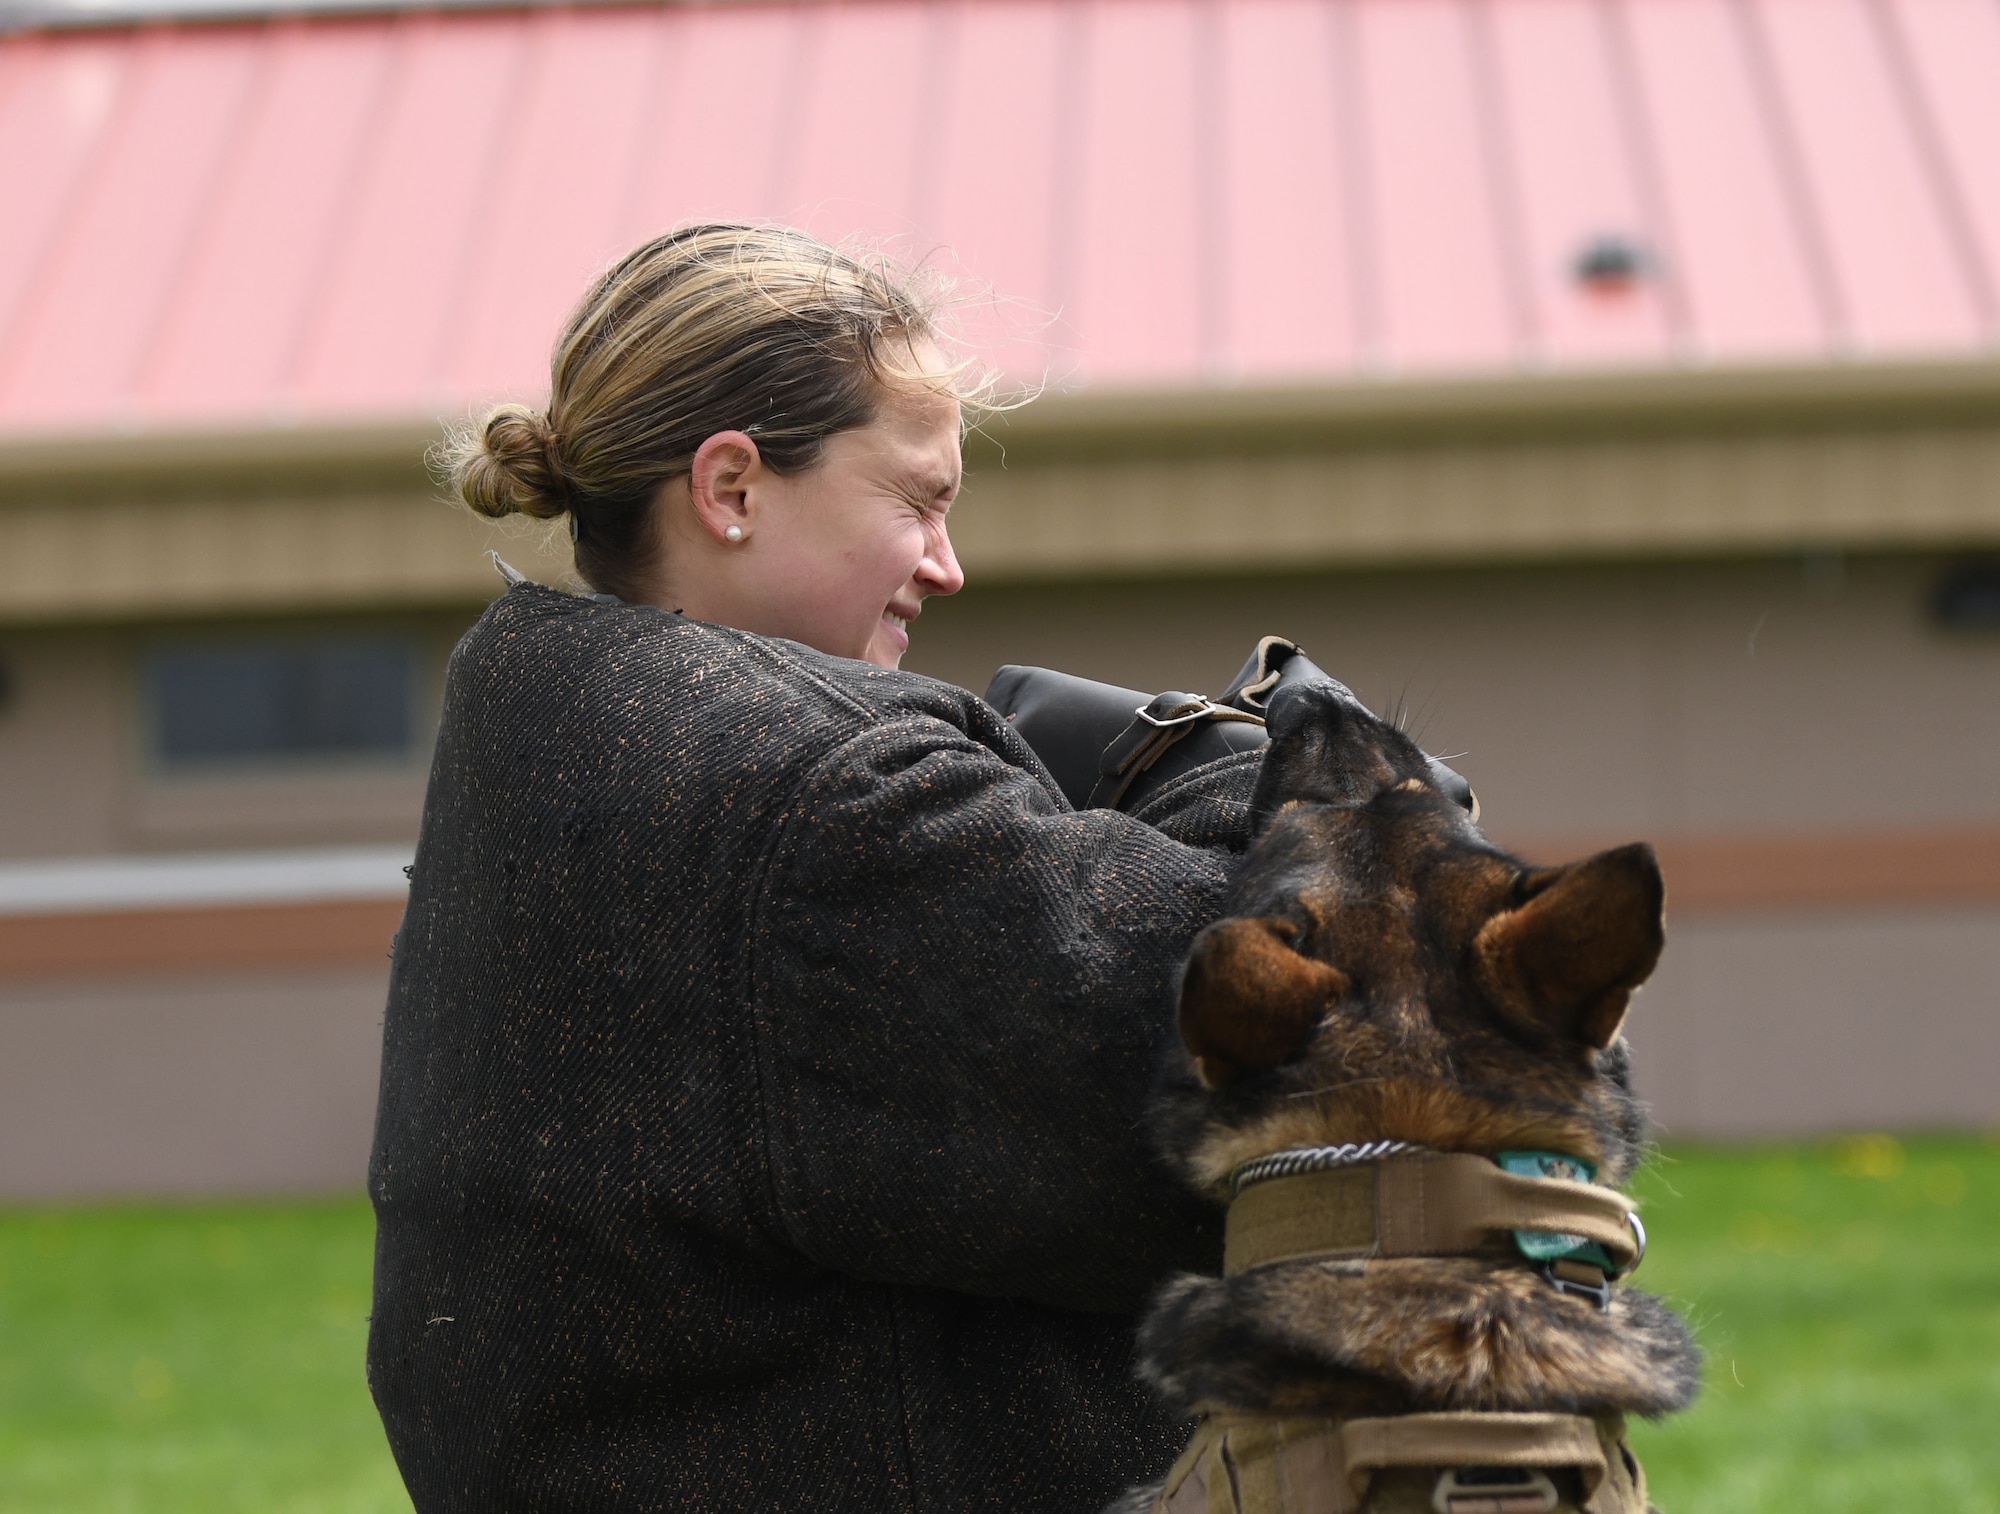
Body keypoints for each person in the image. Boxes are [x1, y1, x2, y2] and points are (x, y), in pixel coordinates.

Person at [367, 224, 1266, 1512]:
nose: (947, 566)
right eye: (918, 500)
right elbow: (1269, 1048)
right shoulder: (815, 805)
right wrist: (1237, 777)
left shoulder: (554, 747)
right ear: (731, 488)